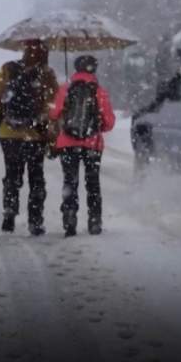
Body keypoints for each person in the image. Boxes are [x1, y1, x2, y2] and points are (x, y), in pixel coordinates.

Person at [0, 40, 59, 236]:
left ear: (25, 52)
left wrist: (4, 115)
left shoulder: (8, 69)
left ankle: (9, 216)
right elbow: (53, 103)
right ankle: (35, 221)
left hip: (9, 134)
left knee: (12, 175)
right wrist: (43, 121)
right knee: (36, 177)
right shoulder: (47, 74)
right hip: (35, 134)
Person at [49, 55, 115, 236]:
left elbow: (53, 114)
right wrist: (95, 126)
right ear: (94, 69)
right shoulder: (99, 91)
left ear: (76, 68)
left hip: (68, 143)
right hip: (92, 144)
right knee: (92, 183)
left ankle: (69, 219)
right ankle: (94, 221)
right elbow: (109, 123)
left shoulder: (65, 88)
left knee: (70, 181)